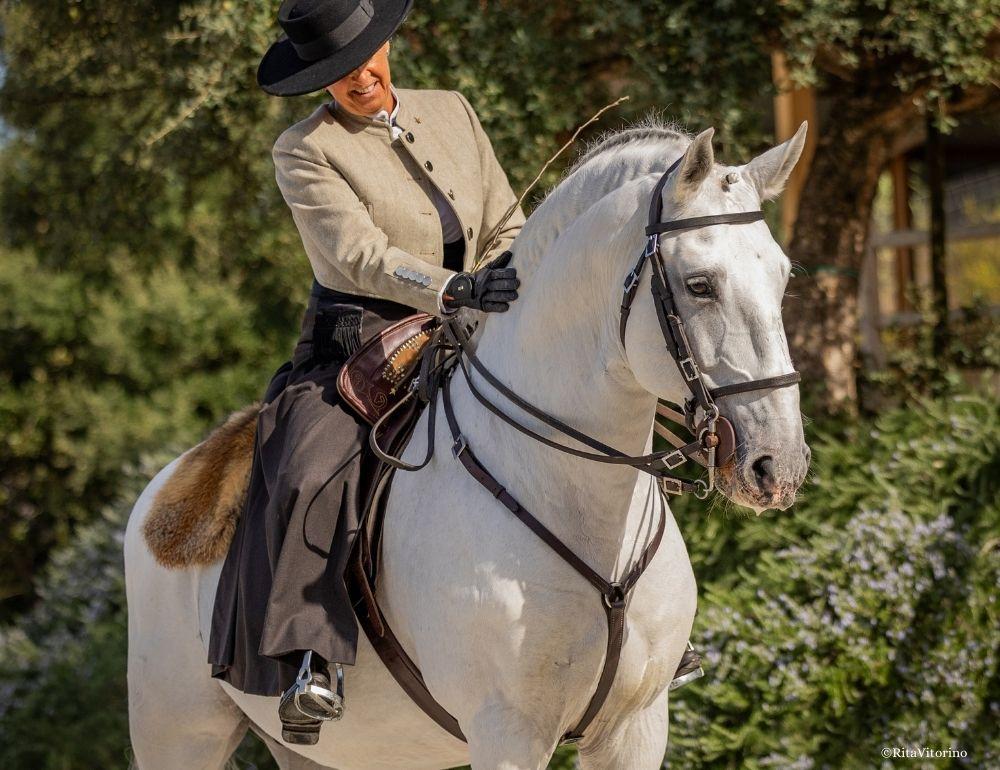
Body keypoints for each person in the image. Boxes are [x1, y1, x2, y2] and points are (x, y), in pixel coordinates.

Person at [206, 0, 525, 746]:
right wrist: (451, 288)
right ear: (317, 81)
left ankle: (646, 621)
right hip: (364, 343)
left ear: (387, 44)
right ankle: (312, 657)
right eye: (337, 73)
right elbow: (356, 254)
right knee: (307, 465)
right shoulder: (305, 150)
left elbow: (507, 218)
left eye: (366, 59)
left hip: (480, 318)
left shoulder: (453, 110)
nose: (358, 78)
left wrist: (504, 277)